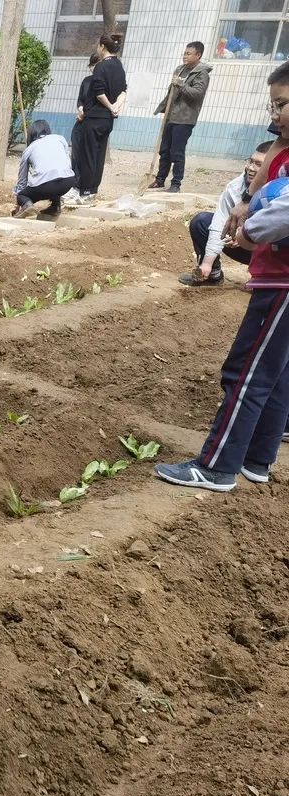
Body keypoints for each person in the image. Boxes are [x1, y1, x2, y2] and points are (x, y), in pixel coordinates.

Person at [154, 62, 289, 491]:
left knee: (245, 371)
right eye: (273, 104)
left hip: (282, 281)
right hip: (278, 277)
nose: (276, 113)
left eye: (283, 104)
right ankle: (256, 459)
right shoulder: (281, 150)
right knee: (277, 372)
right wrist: (250, 199)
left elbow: (282, 214)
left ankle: (217, 466)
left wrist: (248, 232)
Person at [180, 141, 271, 287]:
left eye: (259, 164)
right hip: (244, 247)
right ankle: (212, 274)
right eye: (250, 161)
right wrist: (207, 263)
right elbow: (219, 222)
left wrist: (247, 235)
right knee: (202, 221)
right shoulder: (235, 186)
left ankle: (268, 279)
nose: (250, 168)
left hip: (272, 251)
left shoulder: (282, 191)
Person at [72, 33, 127, 205]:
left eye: (98, 45)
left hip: (94, 118)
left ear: (103, 47)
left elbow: (99, 92)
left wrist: (110, 106)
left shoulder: (101, 67)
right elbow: (123, 91)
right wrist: (117, 106)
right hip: (107, 120)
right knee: (99, 155)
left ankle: (85, 192)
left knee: (88, 155)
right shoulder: (119, 66)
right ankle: (93, 190)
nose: (97, 48)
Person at [150, 41, 212, 193]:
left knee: (176, 152)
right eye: (184, 53)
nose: (185, 56)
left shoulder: (201, 73)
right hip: (171, 116)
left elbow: (197, 94)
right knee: (164, 150)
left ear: (198, 55)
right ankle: (160, 179)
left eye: (188, 53)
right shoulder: (180, 69)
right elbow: (172, 91)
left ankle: (176, 183)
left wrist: (180, 85)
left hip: (185, 118)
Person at [12, 120, 76, 218]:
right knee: (56, 177)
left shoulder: (29, 149)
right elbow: (67, 162)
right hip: (68, 181)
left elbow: (22, 181)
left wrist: (19, 201)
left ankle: (27, 205)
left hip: (46, 186)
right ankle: (55, 207)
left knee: (22, 195)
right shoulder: (60, 139)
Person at [63, 53, 98, 204]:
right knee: (76, 154)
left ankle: (86, 188)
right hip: (81, 122)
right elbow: (80, 99)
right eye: (91, 66)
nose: (93, 69)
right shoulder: (86, 81)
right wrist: (80, 108)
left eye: (95, 65)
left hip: (93, 123)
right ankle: (74, 185)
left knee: (88, 157)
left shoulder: (104, 84)